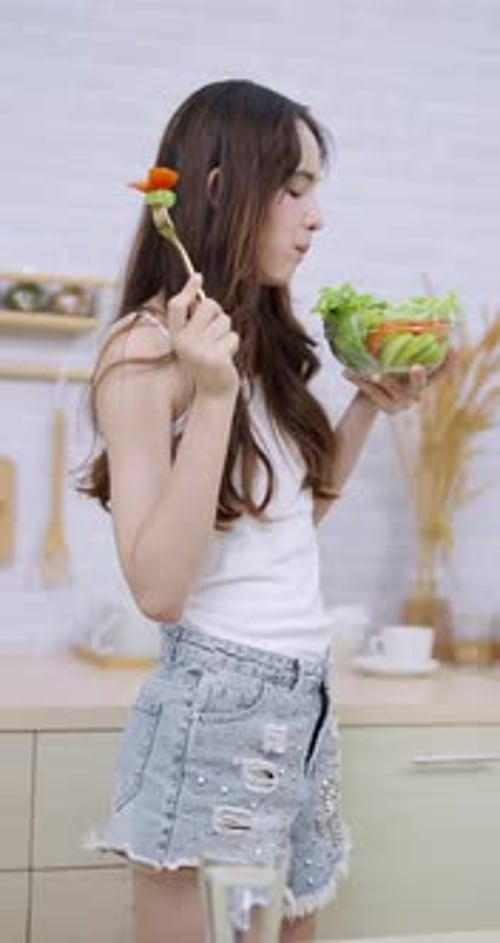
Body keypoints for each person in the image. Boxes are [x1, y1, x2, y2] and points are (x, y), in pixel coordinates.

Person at [81, 79, 449, 943]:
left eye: (315, 187)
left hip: (302, 697)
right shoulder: (148, 351)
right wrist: (210, 397)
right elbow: (162, 590)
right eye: (294, 187)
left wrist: (367, 408)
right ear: (219, 191)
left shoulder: (260, 340)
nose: (316, 215)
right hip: (217, 705)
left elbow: (282, 525)